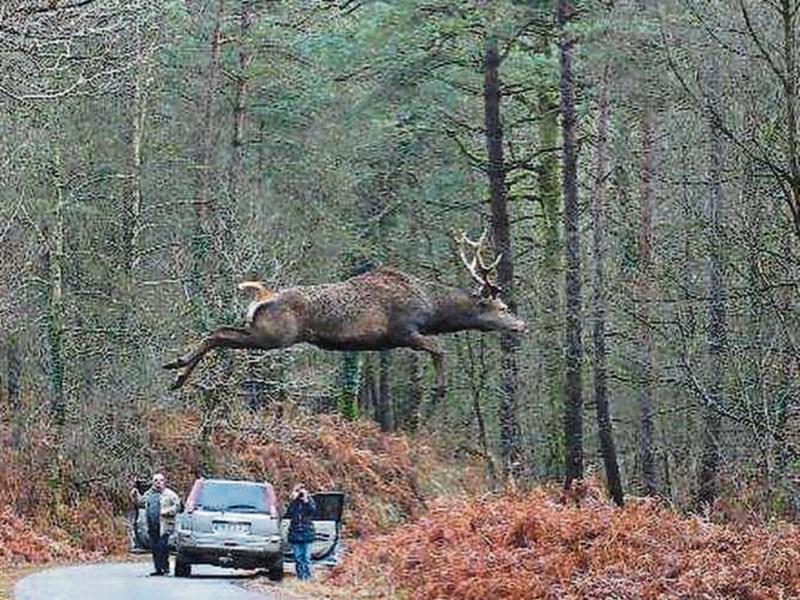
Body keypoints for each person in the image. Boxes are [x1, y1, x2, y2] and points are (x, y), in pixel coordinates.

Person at [130, 472, 181, 576]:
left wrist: (166, 511)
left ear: (164, 482)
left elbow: (178, 507)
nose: (158, 483)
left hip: (165, 526)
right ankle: (158, 569)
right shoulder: (149, 494)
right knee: (154, 548)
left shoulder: (170, 494)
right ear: (153, 483)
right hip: (152, 525)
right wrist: (135, 495)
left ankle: (165, 568)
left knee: (162, 547)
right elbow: (140, 503)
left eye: (160, 481)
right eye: (156, 481)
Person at [286, 483, 317, 581]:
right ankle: (300, 577)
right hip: (295, 533)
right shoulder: (294, 503)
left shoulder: (310, 501)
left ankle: (308, 577)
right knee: (298, 558)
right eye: (298, 491)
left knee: (306, 557)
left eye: (302, 491)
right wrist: (293, 500)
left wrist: (306, 500)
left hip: (307, 532)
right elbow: (288, 513)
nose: (300, 494)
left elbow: (312, 511)